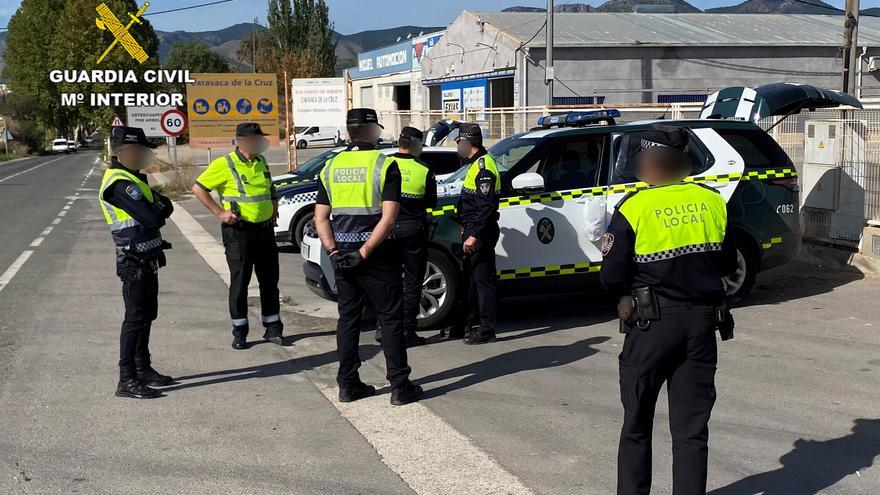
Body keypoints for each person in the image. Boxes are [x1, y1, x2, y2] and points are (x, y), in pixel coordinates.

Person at [599, 124, 737, 495]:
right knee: (692, 432)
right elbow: (727, 263)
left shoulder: (635, 206)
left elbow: (611, 276)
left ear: (651, 160)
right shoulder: (712, 201)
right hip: (701, 325)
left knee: (637, 426)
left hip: (652, 326)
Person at [314, 108, 423, 406]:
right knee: (390, 319)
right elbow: (389, 218)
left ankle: (348, 384)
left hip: (342, 255)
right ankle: (399, 386)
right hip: (378, 255)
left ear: (349, 132)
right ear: (373, 131)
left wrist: (333, 252)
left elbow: (320, 218)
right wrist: (363, 252)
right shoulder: (384, 164)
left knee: (348, 319)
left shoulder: (330, 166)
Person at [192, 123, 285, 350]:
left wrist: (274, 207)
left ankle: (273, 327)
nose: (259, 142)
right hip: (239, 231)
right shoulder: (224, 163)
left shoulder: (261, 161)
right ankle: (240, 332)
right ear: (241, 141)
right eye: (255, 139)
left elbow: (269, 187)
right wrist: (220, 213)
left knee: (269, 280)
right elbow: (198, 188)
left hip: (264, 230)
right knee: (240, 282)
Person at [99, 126, 174, 399]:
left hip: (148, 259)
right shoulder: (120, 183)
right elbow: (153, 216)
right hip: (133, 263)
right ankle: (127, 379)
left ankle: (143, 368)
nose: (144, 155)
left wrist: (156, 208)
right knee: (135, 319)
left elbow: (167, 205)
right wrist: (156, 209)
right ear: (125, 152)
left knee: (147, 316)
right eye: (140, 150)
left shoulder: (134, 178)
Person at [439, 122, 500, 345]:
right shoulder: (474, 164)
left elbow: (486, 207)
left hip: (480, 231)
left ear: (467, 142)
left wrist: (474, 234)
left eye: (458, 142)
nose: (458, 146)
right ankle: (467, 324)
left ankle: (487, 329)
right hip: (472, 229)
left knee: (483, 282)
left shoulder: (484, 167)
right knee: (470, 281)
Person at [374, 127, 436, 347]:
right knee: (412, 284)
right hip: (413, 231)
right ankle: (407, 331)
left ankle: (383, 328)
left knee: (387, 281)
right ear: (416, 144)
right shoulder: (424, 170)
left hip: (386, 229)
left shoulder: (385, 164)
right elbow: (431, 202)